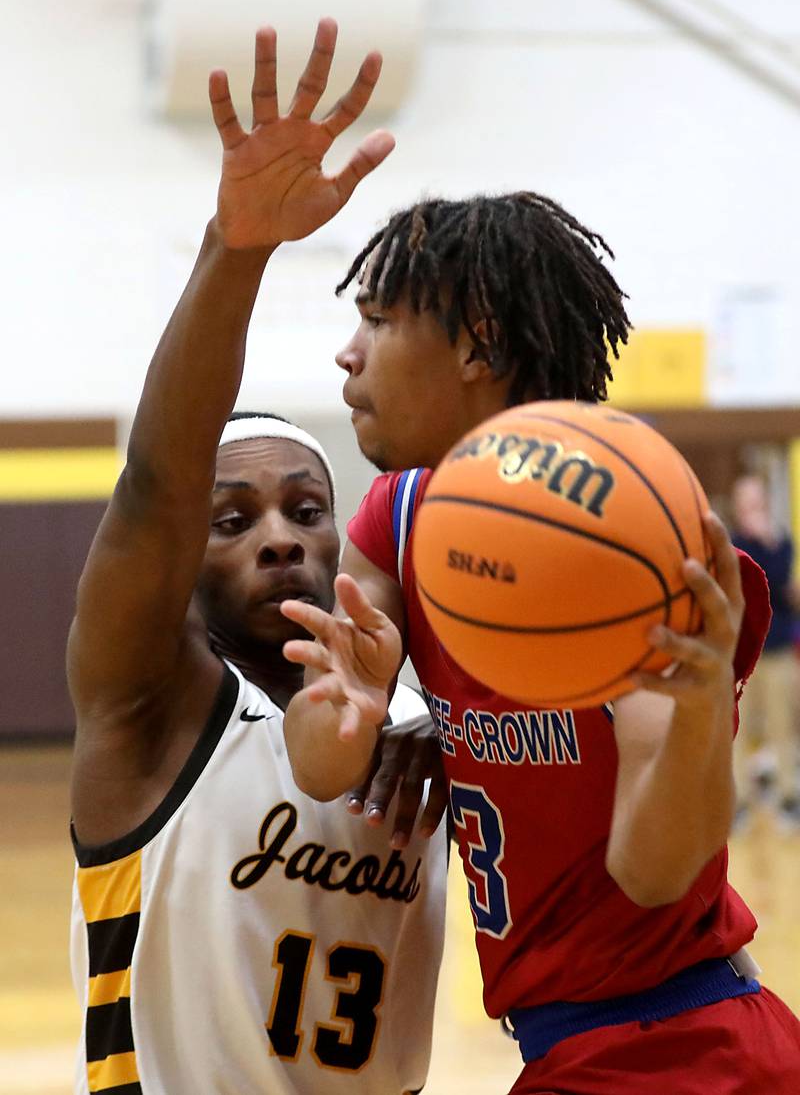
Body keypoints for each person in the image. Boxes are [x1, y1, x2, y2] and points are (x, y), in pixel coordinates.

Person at [279, 200, 800, 1086]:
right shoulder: (398, 517)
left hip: (680, 1043)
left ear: (478, 348)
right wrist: (361, 710)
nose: (347, 351)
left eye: (375, 320)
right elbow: (323, 765)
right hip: (572, 1046)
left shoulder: (625, 535)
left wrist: (703, 710)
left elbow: (654, 873)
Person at [67, 24, 447, 1095]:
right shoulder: (151, 710)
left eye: (304, 509)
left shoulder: (413, 724)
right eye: (230, 520)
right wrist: (237, 250)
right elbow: (154, 487)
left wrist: (450, 747)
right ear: (180, 567)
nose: (279, 533)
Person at [730, 472, 800, 830]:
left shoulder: (781, 542)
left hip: (776, 651)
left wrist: (768, 541)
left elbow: (779, 585)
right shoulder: (731, 545)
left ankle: (789, 798)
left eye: (757, 501)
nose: (752, 509)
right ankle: (739, 802)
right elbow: (745, 588)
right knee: (736, 731)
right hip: (741, 659)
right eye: (746, 503)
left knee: (782, 726)